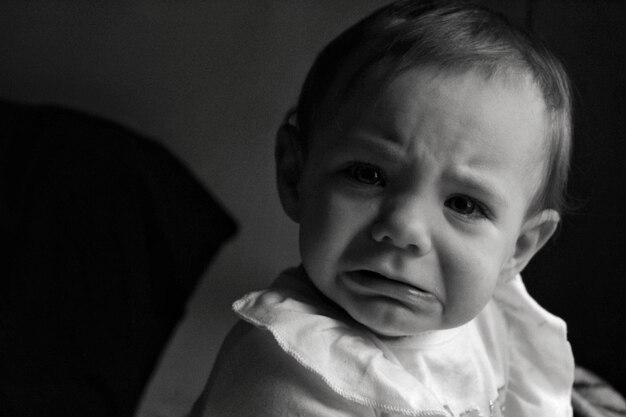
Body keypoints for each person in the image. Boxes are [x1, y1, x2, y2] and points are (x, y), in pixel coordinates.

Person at [191, 1, 576, 415]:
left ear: (516, 249)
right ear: (294, 176)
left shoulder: (493, 318)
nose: (405, 227)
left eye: (464, 204)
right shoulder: (287, 376)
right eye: (368, 175)